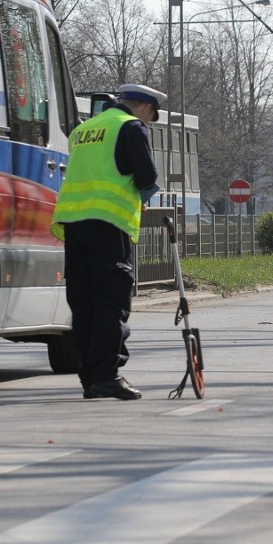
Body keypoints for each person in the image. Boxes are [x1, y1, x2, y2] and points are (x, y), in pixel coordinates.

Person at [51, 84, 167, 400]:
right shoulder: (129, 127)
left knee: (83, 301)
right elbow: (146, 177)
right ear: (145, 108)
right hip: (109, 223)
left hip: (74, 223)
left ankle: (90, 376)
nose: (148, 122)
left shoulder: (83, 130)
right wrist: (143, 199)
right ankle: (106, 375)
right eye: (151, 117)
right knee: (111, 300)